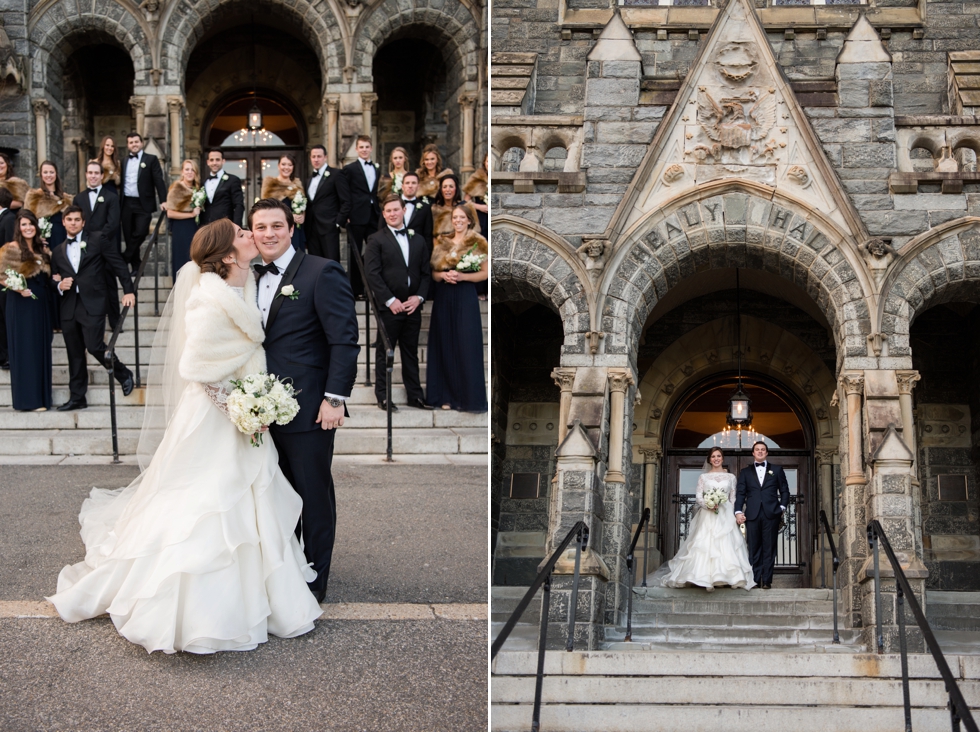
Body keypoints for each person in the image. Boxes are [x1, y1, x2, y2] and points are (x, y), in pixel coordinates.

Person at [47, 219, 324, 654]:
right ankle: (195, 606)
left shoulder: (244, 286)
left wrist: (253, 404)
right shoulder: (208, 300)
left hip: (242, 412)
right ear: (228, 254)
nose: (252, 234)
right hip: (216, 417)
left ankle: (262, 594)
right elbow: (198, 371)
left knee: (248, 502)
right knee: (206, 504)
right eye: (243, 233)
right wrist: (244, 410)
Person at [251, 198, 360, 602]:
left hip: (309, 407)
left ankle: (315, 578)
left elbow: (344, 339)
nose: (269, 233)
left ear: (291, 228)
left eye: (276, 225)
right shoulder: (247, 276)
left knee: (312, 495)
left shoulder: (320, 271)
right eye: (260, 227)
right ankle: (285, 570)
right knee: (274, 496)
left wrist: (334, 398)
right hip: (260, 410)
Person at [51, 206, 136, 411]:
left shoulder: (97, 239)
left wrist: (128, 290)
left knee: (95, 345)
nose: (73, 222)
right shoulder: (57, 251)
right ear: (63, 222)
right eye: (69, 219)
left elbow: (118, 264)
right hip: (69, 306)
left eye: (77, 219)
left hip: (94, 303)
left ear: (83, 222)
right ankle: (78, 397)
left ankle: (123, 373)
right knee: (74, 353)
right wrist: (59, 285)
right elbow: (53, 278)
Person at [647, 447, 756, 591]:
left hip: (725, 513)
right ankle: (703, 577)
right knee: (705, 544)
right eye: (713, 457)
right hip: (708, 513)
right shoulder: (703, 477)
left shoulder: (731, 477)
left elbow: (733, 498)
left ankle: (727, 577)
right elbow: (699, 497)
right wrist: (709, 504)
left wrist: (736, 513)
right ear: (709, 459)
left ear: (722, 458)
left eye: (718, 456)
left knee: (727, 543)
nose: (716, 459)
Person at [364, 195, 433, 412]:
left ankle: (415, 396)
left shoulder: (419, 240)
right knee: (385, 352)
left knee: (410, 352)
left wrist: (419, 297)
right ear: (384, 214)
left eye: (396, 209)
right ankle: (383, 396)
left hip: (413, 306)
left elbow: (425, 274)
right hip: (389, 307)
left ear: (404, 210)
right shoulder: (376, 240)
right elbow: (372, 274)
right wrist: (390, 300)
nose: (393, 214)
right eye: (388, 211)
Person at [426, 203, 487, 412]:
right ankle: (445, 396)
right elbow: (433, 273)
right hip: (444, 295)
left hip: (465, 294)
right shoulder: (442, 242)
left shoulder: (479, 242)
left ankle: (467, 398)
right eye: (455, 218)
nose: (458, 221)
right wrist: (443, 275)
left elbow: (485, 273)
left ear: (469, 220)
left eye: (462, 218)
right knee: (444, 343)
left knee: (465, 344)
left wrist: (463, 276)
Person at [0, 211, 53, 411]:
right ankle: (28, 401)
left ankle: (42, 398)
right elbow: (1, 275)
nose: (28, 228)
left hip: (40, 304)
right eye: (24, 224)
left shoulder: (42, 249)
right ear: (18, 227)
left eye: (31, 224)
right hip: (20, 304)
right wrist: (17, 288)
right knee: (25, 348)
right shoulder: (10, 249)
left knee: (40, 347)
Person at [73, 160, 123, 330]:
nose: (93, 176)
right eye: (90, 173)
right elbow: (77, 223)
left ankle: (115, 322)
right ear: (86, 175)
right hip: (86, 250)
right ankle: (89, 320)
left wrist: (97, 242)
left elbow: (113, 223)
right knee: (88, 284)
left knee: (110, 285)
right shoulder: (78, 198)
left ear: (102, 176)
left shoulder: (111, 197)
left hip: (106, 248)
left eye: (96, 173)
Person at [735, 441, 791, 590]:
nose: (760, 452)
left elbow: (785, 491)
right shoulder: (745, 472)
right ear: (753, 453)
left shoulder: (777, 470)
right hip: (752, 515)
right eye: (757, 450)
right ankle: (754, 580)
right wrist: (738, 511)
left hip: (771, 514)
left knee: (769, 548)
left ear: (766, 453)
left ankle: (766, 581)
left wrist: (781, 507)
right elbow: (740, 493)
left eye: (763, 450)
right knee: (753, 548)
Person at [119, 132, 168, 271]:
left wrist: (163, 200)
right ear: (128, 145)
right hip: (126, 203)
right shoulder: (123, 161)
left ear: (141, 143)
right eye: (131, 142)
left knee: (141, 232)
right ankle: (135, 266)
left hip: (143, 203)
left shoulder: (151, 159)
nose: (134, 144)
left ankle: (125, 257)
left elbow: (159, 180)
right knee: (129, 236)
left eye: (136, 142)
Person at [343, 135, 380, 300]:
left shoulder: (377, 169)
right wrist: (347, 215)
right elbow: (345, 194)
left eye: (367, 146)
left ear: (371, 148)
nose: (364, 150)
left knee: (375, 252)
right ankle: (355, 290)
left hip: (374, 215)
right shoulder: (350, 169)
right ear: (357, 149)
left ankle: (373, 288)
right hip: (357, 216)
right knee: (355, 253)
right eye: (361, 147)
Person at [303, 145, 350, 262]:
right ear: (310, 158)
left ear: (325, 157)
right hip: (311, 229)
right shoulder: (308, 180)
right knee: (314, 263)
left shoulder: (336, 174)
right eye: (313, 156)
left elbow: (346, 201)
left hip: (329, 227)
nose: (316, 159)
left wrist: (338, 222)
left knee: (331, 262)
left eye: (319, 156)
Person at [261, 154, 307, 252]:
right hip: (278, 231)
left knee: (298, 260)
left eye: (290, 165)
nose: (286, 167)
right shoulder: (270, 184)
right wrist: (290, 217)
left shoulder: (297, 184)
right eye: (283, 164)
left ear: (293, 167)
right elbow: (266, 210)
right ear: (278, 166)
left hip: (296, 231)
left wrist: (302, 216)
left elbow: (303, 206)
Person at [166, 159, 202, 275]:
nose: (189, 172)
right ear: (182, 172)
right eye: (187, 169)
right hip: (181, 229)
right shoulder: (177, 188)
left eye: (192, 170)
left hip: (194, 229)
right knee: (183, 259)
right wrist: (191, 214)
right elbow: (170, 213)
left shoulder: (197, 189)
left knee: (194, 260)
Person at [25, 160, 72, 246]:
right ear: (41, 175)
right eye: (45, 172)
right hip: (43, 242)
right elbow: (26, 219)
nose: (48, 175)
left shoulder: (66, 199)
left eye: (51, 172)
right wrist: (36, 238)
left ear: (56, 174)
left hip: (63, 239)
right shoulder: (33, 197)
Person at [199, 147, 244, 226]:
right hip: (206, 226)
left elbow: (238, 205)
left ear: (223, 161)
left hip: (225, 226)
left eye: (217, 159)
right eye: (212, 160)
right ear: (208, 162)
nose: (214, 163)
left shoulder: (233, 180)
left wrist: (237, 227)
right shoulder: (203, 182)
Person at [394, 172, 433, 253]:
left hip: (417, 253)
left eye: (413, 183)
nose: (410, 186)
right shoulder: (392, 205)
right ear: (402, 186)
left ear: (418, 186)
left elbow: (428, 236)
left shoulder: (425, 208)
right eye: (407, 183)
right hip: (394, 251)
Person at [0, 188, 13, 369]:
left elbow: (10, 248)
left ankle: (8, 354)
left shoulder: (9, 219)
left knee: (4, 316)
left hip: (4, 275)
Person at [430, 174, 463, 242]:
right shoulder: (434, 210)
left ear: (456, 189)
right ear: (441, 190)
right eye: (444, 187)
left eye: (451, 186)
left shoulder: (464, 208)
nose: (448, 190)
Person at [462, 153, 488, 236]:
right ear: (484, 162)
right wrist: (479, 207)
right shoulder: (476, 178)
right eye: (487, 161)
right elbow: (465, 201)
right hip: (481, 216)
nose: (489, 164)